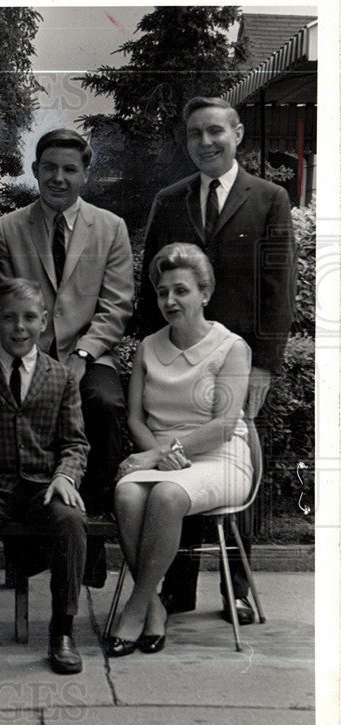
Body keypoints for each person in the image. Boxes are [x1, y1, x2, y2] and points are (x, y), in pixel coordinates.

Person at [137, 97, 296, 623]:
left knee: (233, 464)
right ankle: (176, 589)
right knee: (179, 473)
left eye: (215, 132)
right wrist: (154, 357)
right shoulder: (169, 199)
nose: (205, 143)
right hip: (180, 363)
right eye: (194, 135)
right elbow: (149, 287)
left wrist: (265, 367)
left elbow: (280, 286)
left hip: (239, 362)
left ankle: (240, 590)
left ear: (237, 134)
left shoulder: (269, 198)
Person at [108, 243, 252, 656]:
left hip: (219, 459)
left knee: (168, 495)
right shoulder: (149, 348)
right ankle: (154, 606)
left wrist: (155, 456)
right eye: (162, 291)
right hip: (162, 455)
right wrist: (158, 452)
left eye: (181, 290)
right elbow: (136, 418)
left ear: (204, 294)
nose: (170, 300)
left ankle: (134, 610)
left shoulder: (231, 347)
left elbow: (224, 426)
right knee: (127, 493)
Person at [0, 279, 89, 676]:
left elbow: (76, 442)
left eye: (29, 317)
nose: (19, 327)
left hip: (43, 486)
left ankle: (62, 631)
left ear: (44, 322)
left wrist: (65, 475)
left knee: (72, 521)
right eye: (9, 318)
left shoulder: (61, 377)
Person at [0, 129, 133, 521]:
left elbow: (117, 304)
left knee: (104, 405)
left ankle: (89, 522)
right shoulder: (9, 227)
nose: (59, 177)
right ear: (35, 170)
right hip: (28, 353)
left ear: (85, 174)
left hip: (90, 351)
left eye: (69, 169)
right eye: (50, 168)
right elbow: (9, 300)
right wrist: (34, 358)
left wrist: (84, 354)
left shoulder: (110, 227)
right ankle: (30, 527)